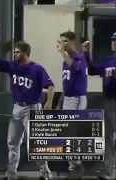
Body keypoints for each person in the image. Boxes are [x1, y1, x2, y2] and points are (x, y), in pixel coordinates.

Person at [0, 41, 54, 180]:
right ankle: (10, 174)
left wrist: (48, 102)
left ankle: (45, 174)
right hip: (17, 107)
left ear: (25, 52)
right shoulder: (13, 66)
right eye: (15, 52)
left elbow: (50, 86)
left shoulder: (37, 69)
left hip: (32, 108)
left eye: (17, 52)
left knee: (35, 143)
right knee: (12, 143)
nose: (15, 54)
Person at [83, 32, 116, 178]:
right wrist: (85, 54)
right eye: (113, 40)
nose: (114, 42)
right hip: (109, 101)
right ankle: (109, 171)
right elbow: (91, 70)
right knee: (108, 137)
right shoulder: (108, 60)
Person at [57, 31, 87, 176]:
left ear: (72, 42)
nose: (62, 44)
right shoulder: (65, 60)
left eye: (65, 41)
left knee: (74, 130)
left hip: (78, 98)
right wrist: (60, 101)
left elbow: (76, 67)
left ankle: (77, 164)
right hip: (68, 98)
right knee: (67, 132)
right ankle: (73, 164)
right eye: (61, 41)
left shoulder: (79, 57)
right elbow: (66, 84)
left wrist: (63, 53)